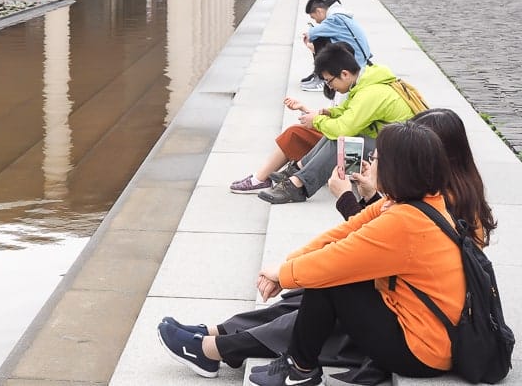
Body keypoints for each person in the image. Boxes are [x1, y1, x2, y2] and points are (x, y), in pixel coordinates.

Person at [160, 111, 493, 383]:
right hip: (407, 310)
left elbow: (347, 253)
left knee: (326, 279)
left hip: (422, 346)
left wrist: (287, 272)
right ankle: (229, 343)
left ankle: (256, 356)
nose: (371, 162)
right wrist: (285, 266)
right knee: (314, 282)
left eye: (377, 157)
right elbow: (347, 233)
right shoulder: (413, 202)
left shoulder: (410, 216)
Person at [230, 43, 415, 201]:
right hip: (393, 145)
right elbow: (346, 112)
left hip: (401, 157)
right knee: (337, 135)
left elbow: (343, 128)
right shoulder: (366, 83)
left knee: (342, 140)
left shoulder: (371, 92)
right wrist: (326, 113)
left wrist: (317, 120)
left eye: (328, 81)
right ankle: (297, 172)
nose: (329, 86)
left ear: (344, 74)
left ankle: (297, 186)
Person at [298, 0, 372, 92]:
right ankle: (320, 75)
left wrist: (310, 39)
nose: (316, 21)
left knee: (319, 39)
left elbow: (312, 34)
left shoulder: (335, 19)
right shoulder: (341, 16)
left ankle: (322, 79)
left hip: (356, 62)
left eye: (313, 17)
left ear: (319, 11)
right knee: (323, 38)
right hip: (359, 58)